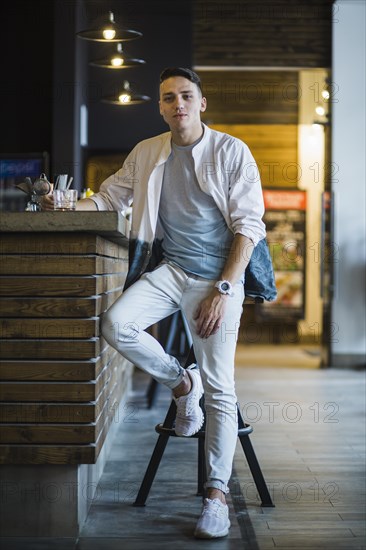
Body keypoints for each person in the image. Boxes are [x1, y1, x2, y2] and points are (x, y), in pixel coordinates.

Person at [42, 67, 268, 539]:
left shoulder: (231, 151)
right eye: (169, 98)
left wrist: (225, 291)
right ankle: (181, 384)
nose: (177, 105)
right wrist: (63, 206)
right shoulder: (148, 151)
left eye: (186, 96)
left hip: (218, 280)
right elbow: (108, 199)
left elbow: (249, 227)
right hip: (173, 271)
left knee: (222, 387)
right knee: (115, 324)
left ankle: (216, 495)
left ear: (202, 103)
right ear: (161, 107)